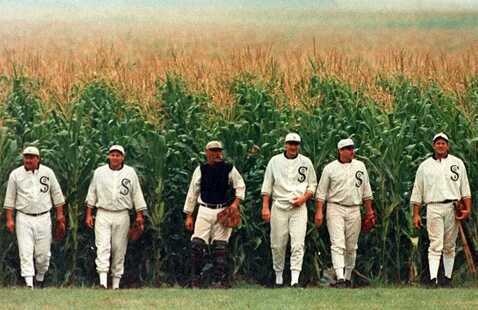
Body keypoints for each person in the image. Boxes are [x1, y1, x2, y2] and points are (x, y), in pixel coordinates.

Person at [410, 132, 471, 287]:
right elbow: (418, 190)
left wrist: (467, 209)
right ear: (433, 145)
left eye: (443, 143)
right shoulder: (425, 166)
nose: (441, 146)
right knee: (436, 244)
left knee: (449, 245)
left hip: (452, 206)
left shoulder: (457, 163)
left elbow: (465, 188)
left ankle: (448, 278)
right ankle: (433, 278)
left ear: (448, 145)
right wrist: (416, 214)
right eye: (438, 143)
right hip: (433, 206)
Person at [183, 140, 245, 288]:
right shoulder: (201, 169)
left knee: (220, 247)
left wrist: (235, 205)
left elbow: (240, 186)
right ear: (207, 153)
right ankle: (196, 280)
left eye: (219, 151)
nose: (217, 154)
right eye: (213, 151)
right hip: (204, 209)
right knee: (197, 245)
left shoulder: (229, 168)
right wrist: (189, 215)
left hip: (222, 210)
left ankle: (219, 281)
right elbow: (193, 192)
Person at [315, 138, 375, 288]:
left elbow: (366, 191)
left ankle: (348, 277)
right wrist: (319, 212)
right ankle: (340, 278)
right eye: (348, 149)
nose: (351, 151)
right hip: (335, 207)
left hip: (354, 208)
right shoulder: (330, 168)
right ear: (340, 151)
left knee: (351, 246)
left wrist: (369, 212)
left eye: (352, 148)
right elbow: (321, 193)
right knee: (337, 244)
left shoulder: (360, 166)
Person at [3, 146, 66, 289]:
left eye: (31, 157)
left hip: (43, 217)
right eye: (26, 157)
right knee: (25, 251)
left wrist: (60, 216)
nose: (28, 160)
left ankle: (40, 277)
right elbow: (10, 198)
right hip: (23, 218)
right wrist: (9, 219)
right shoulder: (16, 174)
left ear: (38, 159)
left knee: (43, 255)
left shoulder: (47, 172)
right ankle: (29, 284)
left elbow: (57, 195)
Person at [85, 145, 146, 289]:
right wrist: (89, 214)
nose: (115, 157)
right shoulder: (99, 172)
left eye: (118, 155)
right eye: (112, 155)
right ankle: (102, 282)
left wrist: (139, 215)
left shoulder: (130, 172)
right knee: (102, 246)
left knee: (119, 248)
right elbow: (92, 193)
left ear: (123, 157)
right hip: (103, 213)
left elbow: (136, 194)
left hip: (122, 214)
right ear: (108, 156)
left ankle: (116, 283)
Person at [261, 133, 317, 287]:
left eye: (296, 144)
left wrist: (303, 198)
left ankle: (294, 280)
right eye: (290, 144)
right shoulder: (275, 161)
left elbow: (312, 185)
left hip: (299, 207)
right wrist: (265, 207)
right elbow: (267, 186)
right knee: (278, 243)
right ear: (285, 144)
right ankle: (278, 278)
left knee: (298, 243)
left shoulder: (306, 162)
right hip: (279, 205)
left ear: (299, 145)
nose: (293, 147)